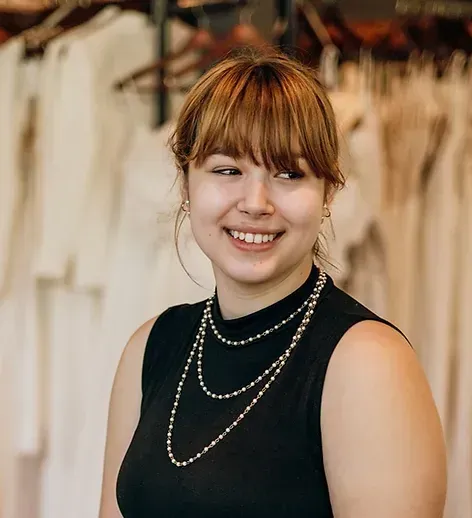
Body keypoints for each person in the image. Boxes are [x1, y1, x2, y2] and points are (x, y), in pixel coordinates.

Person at [99, 48, 447, 518]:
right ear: (186, 185)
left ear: (328, 192)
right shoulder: (150, 347)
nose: (256, 203)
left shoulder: (367, 363)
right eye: (227, 170)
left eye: (288, 173)